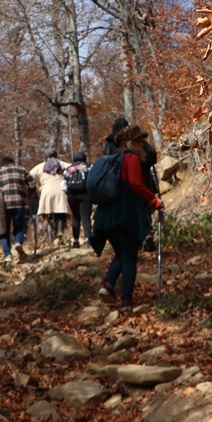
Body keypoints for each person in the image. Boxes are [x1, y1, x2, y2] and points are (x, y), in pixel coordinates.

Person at [90, 124, 163, 313]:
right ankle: (126, 303)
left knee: (122, 255)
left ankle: (107, 286)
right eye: (138, 140)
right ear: (129, 143)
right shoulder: (131, 158)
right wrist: (154, 201)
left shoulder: (110, 161)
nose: (142, 144)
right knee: (130, 258)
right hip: (124, 215)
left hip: (105, 216)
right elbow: (136, 184)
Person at [0, 155, 35, 262]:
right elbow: (32, 185)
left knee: (4, 230)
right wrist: (28, 193)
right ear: (12, 163)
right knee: (18, 227)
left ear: (2, 165)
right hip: (19, 203)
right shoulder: (22, 170)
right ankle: (18, 243)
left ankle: (7, 255)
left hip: (3, 205)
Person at [30, 149, 71, 246]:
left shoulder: (40, 166)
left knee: (48, 215)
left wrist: (38, 185)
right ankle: (60, 232)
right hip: (61, 190)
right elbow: (73, 169)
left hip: (47, 192)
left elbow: (28, 175)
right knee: (61, 213)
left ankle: (51, 238)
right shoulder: (63, 164)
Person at [63, 150, 92, 249]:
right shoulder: (89, 167)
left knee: (75, 216)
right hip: (85, 195)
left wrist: (68, 192)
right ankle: (87, 239)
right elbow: (93, 181)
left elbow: (63, 185)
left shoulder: (69, 169)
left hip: (72, 196)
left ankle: (75, 241)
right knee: (85, 216)